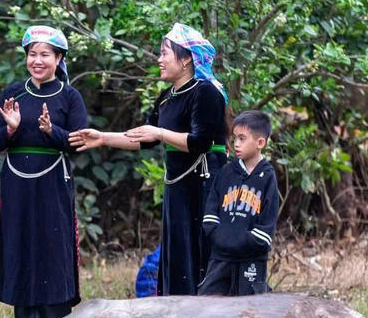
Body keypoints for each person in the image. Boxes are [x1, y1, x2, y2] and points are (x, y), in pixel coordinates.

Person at [70, 22, 228, 295]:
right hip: (178, 185)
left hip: (204, 185)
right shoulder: (167, 97)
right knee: (177, 247)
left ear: (186, 58)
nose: (159, 59)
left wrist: (160, 132)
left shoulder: (206, 92)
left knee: (201, 247)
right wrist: (103, 138)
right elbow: (144, 138)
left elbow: (201, 142)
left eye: (165, 53)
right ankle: (177, 308)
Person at [0, 25, 87, 318]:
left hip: (54, 181)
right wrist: (11, 129)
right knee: (21, 245)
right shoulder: (14, 93)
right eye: (32, 54)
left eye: (45, 54)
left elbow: (78, 141)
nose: (37, 60)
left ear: (59, 59)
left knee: (53, 245)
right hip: (17, 182)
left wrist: (51, 131)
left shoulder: (69, 96)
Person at [199, 110, 279, 296]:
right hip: (220, 258)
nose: (236, 144)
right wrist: (222, 238)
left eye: (242, 138)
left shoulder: (267, 177)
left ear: (260, 143)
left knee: (252, 314)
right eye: (234, 138)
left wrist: (241, 242)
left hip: (252, 261)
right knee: (208, 306)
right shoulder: (225, 172)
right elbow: (210, 216)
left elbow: (266, 228)